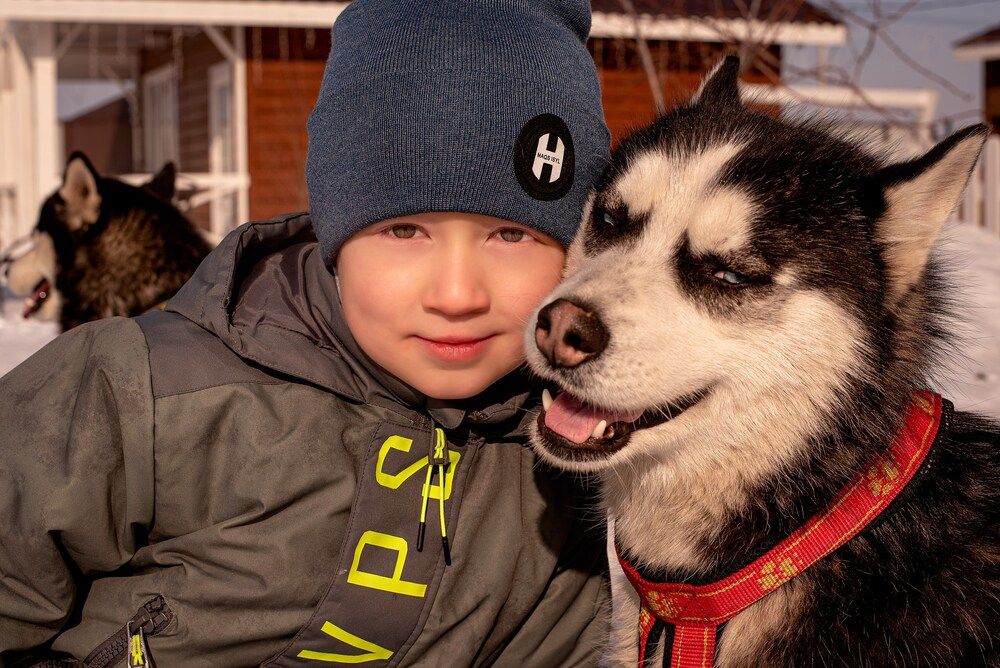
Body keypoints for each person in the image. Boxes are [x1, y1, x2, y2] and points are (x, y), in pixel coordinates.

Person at [0, 0, 612, 665]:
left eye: (511, 234)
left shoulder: (576, 462)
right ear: (336, 234)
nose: (457, 295)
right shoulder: (142, 393)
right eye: (404, 230)